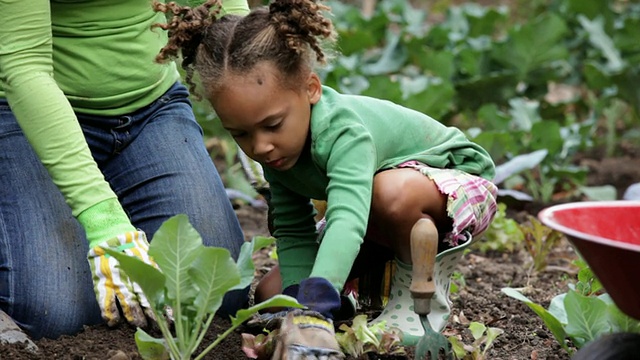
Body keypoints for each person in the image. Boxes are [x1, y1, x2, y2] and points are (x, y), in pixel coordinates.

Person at [153, 0, 498, 353]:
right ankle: (340, 311)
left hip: (452, 188)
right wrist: (298, 310)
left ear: (311, 89)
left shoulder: (344, 132)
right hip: (372, 212)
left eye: (272, 125)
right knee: (274, 296)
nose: (261, 147)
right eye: (240, 134)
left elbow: (347, 219)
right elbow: (292, 228)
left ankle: (414, 299)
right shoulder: (278, 150)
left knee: (390, 193)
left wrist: (315, 307)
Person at [0, 0, 251, 340]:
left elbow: (225, 13)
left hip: (152, 108)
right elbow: (22, 64)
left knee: (216, 291)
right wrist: (104, 220)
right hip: (22, 115)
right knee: (58, 315)